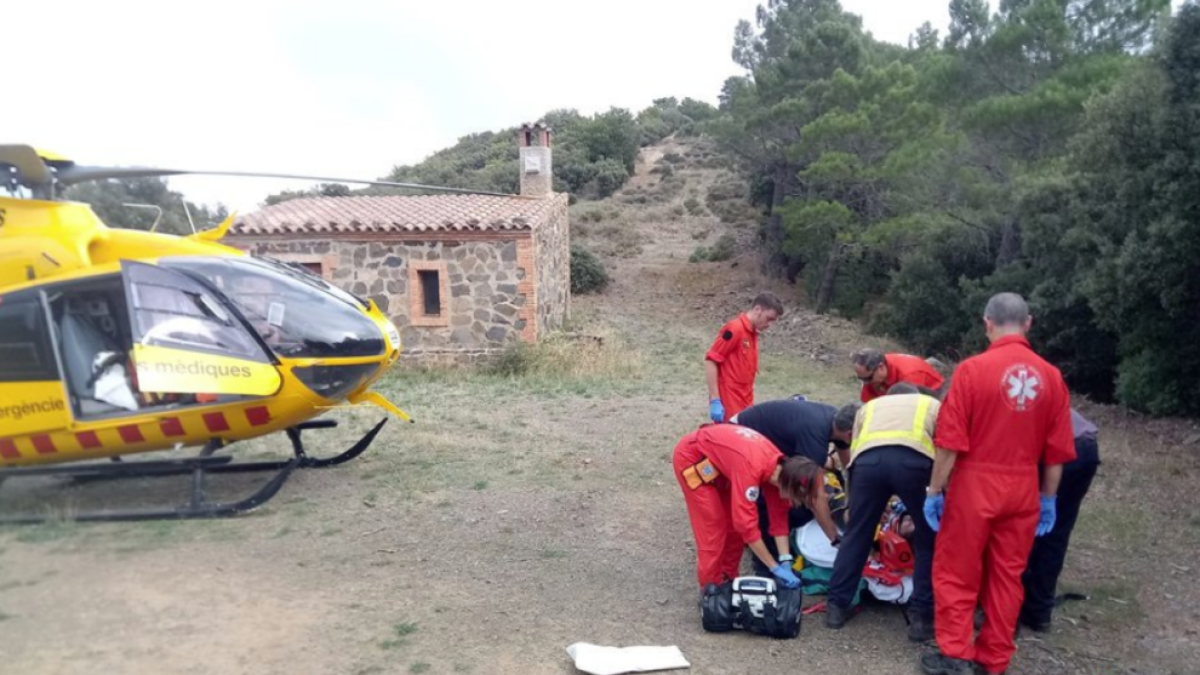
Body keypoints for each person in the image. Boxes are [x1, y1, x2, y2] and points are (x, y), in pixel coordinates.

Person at [920, 293, 1076, 675]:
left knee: (957, 570)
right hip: (1023, 487)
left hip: (975, 484)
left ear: (987, 322)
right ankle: (995, 659)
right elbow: (1055, 453)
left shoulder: (972, 371)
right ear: (1028, 323)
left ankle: (956, 654)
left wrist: (934, 491)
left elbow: (950, 445)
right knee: (1008, 576)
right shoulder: (1052, 377)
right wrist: (1048, 499)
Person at [825, 383, 940, 642]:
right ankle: (921, 619)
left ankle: (836, 607)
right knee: (927, 537)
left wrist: (856, 501)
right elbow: (944, 448)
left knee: (858, 534)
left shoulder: (870, 407)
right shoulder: (931, 405)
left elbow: (853, 451)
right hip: (914, 464)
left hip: (866, 466)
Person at [672, 423, 817, 591]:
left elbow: (778, 518)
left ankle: (728, 579)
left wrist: (785, 560)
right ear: (789, 485)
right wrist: (774, 567)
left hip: (720, 467)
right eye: (796, 497)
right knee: (714, 528)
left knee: (733, 529)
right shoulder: (752, 467)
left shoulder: (780, 470)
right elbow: (746, 526)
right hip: (693, 459)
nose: (795, 502)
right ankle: (711, 591)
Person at [729, 399, 854, 574]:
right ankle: (767, 559)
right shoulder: (815, 442)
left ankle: (776, 542)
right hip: (739, 440)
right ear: (850, 434)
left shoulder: (836, 420)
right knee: (793, 507)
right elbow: (815, 498)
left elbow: (849, 467)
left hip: (755, 434)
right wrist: (835, 540)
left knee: (795, 498)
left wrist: (853, 498)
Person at [1019, 408, 1101, 632]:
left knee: (1020, 529)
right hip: (1086, 445)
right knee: (1055, 532)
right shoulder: (1028, 388)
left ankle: (1012, 612)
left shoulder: (1002, 403)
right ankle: (1038, 612)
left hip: (1059, 451)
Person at [705, 293, 784, 423]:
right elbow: (711, 361)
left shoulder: (752, 334)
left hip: (745, 401)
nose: (770, 325)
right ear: (758, 310)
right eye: (769, 319)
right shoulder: (735, 329)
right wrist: (715, 400)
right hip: (730, 402)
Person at [853, 348, 946, 403]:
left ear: (881, 367)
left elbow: (911, 409)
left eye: (868, 379)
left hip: (933, 396)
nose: (866, 383)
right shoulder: (872, 376)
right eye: (861, 379)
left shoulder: (909, 375)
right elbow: (866, 406)